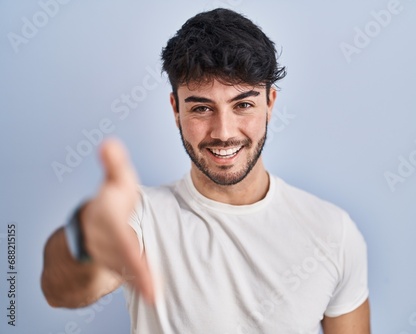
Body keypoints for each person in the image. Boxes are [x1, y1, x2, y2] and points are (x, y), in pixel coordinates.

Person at [41, 8, 370, 334]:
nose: (224, 132)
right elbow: (61, 290)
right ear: (176, 109)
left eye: (243, 105)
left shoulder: (333, 232)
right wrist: (85, 236)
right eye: (201, 108)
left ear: (270, 103)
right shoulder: (141, 217)